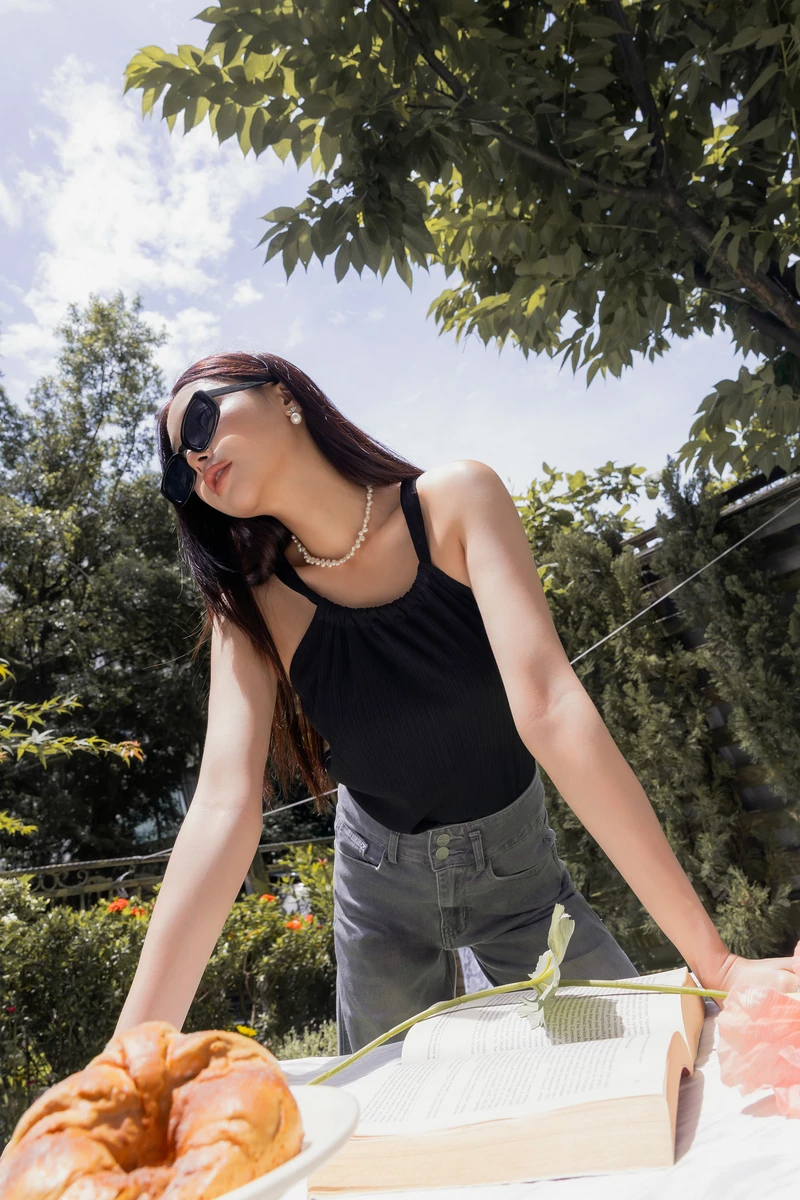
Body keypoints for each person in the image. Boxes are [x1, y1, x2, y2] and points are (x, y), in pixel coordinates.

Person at [114, 351, 799, 1053]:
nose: (195, 457)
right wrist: (126, 1057)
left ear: (283, 394)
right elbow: (221, 808)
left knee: (640, 1058)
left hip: (519, 876)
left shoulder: (458, 502)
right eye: (177, 468)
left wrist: (717, 964)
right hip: (377, 892)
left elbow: (551, 710)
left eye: (201, 420)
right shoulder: (251, 608)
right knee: (384, 1109)